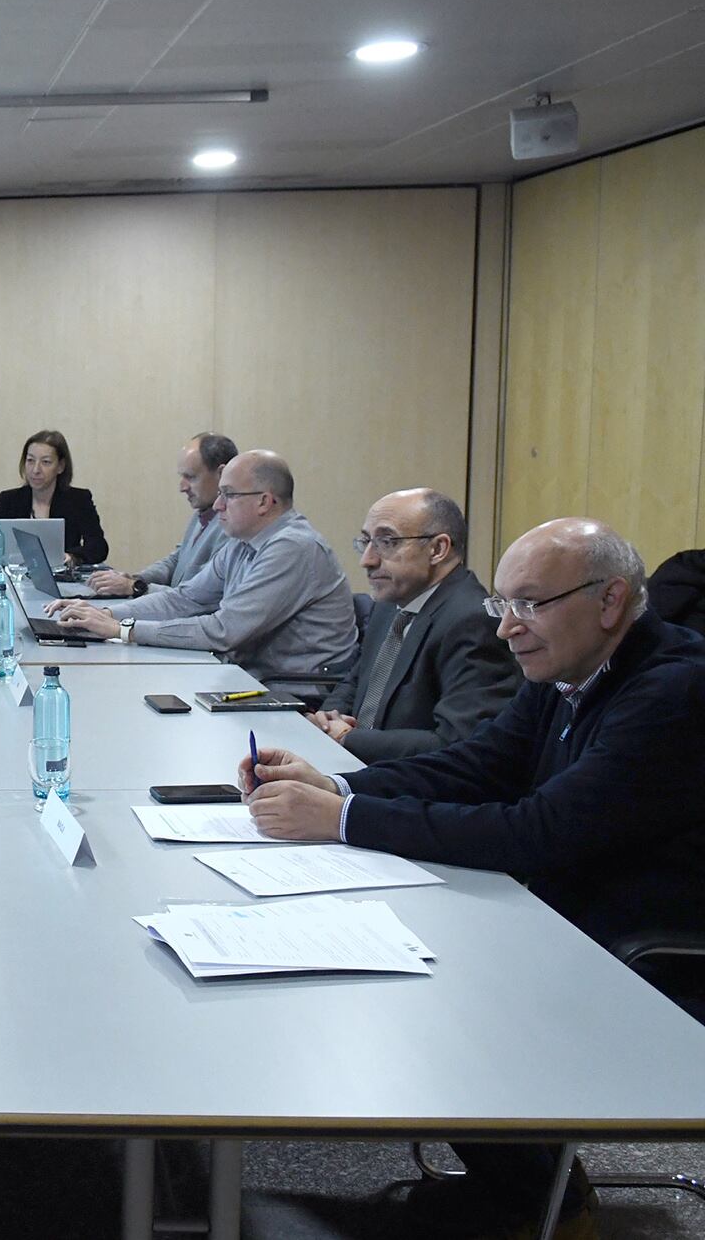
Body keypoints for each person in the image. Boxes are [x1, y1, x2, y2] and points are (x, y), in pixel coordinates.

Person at [242, 518, 705, 1237]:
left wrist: (340, 818)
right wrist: (335, 781)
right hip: (567, 901)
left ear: (610, 600)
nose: (506, 628)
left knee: (440, 968)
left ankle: (536, 1201)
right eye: (503, 604)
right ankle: (525, 1186)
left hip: (642, 940)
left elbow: (538, 831)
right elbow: (478, 764)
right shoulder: (572, 663)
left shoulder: (672, 690)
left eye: (530, 604)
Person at [51, 450, 358, 686]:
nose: (217, 505)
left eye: (229, 495)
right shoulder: (242, 540)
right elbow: (184, 599)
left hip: (295, 693)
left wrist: (123, 630)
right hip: (248, 676)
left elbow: (224, 631)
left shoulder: (292, 547)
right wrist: (103, 616)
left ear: (265, 502)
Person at [307, 489, 519, 762]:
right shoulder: (392, 601)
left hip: (412, 788)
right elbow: (358, 678)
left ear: (437, 549)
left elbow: (458, 742)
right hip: (359, 765)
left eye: (387, 541)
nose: (367, 560)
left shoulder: (472, 621)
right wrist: (328, 718)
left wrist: (347, 738)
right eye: (366, 541)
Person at [86, 432, 237, 598]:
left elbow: (201, 597)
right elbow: (176, 561)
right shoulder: (201, 514)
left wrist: (135, 587)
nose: (182, 487)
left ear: (221, 474)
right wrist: (135, 579)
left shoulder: (233, 527)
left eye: (191, 477)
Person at [0, 430, 107, 566]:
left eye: (45, 462)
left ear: (61, 466)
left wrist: (72, 556)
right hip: (17, 579)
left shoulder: (78, 500)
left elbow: (98, 547)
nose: (35, 470)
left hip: (62, 581)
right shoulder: (10, 500)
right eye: (30, 461)